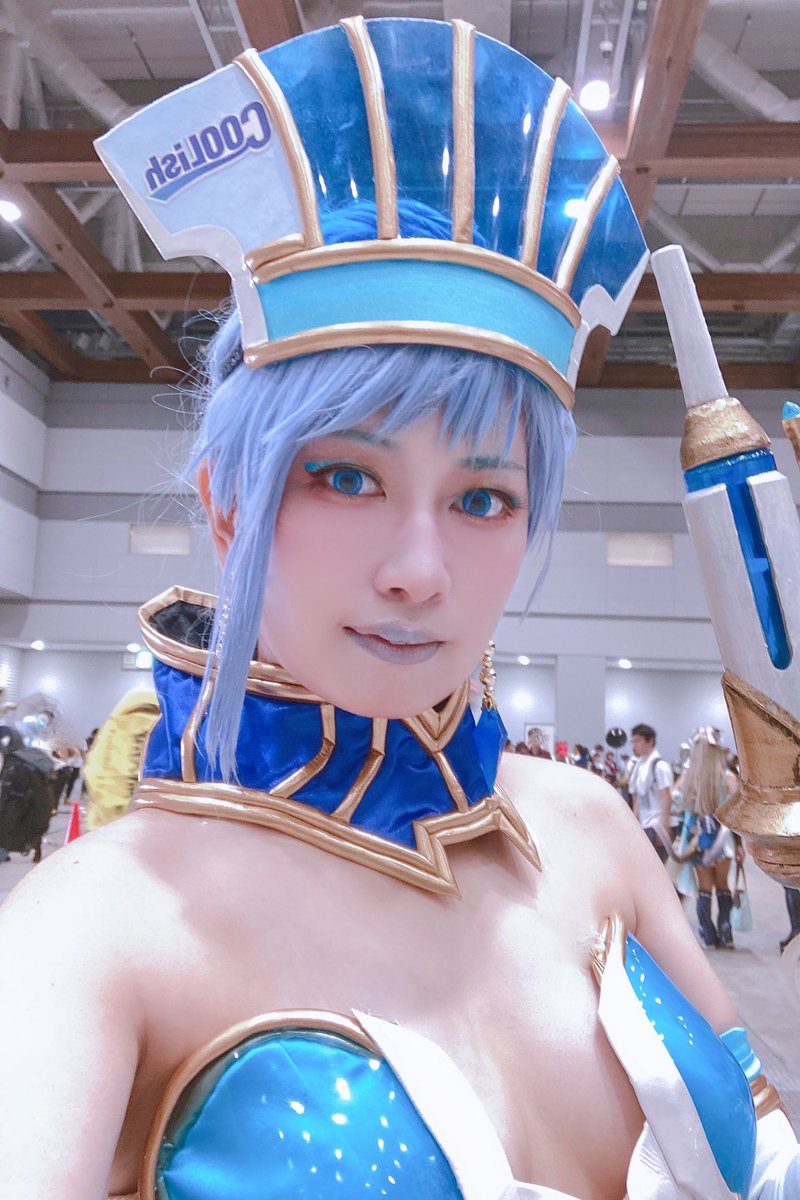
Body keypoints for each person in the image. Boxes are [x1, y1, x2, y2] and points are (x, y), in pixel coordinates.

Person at [0, 18, 796, 1200]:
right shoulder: (98, 929)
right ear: (226, 504)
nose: (418, 571)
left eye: (482, 498)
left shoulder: (586, 829)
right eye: (344, 478)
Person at [673, 728, 741, 949]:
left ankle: (708, 934)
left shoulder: (689, 778)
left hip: (698, 841)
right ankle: (726, 932)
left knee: (705, 888)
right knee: (722, 886)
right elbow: (736, 816)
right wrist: (739, 845)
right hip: (723, 840)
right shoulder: (728, 778)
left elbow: (677, 801)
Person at [82, 688, 160, 829]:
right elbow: (121, 770)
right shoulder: (145, 709)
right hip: (125, 824)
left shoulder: (141, 704)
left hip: (113, 822)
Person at [628, 723, 677, 863]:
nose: (634, 745)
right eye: (633, 741)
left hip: (657, 824)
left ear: (650, 741)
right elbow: (638, 797)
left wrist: (665, 827)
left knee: (657, 866)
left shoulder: (660, 765)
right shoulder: (639, 765)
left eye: (638, 741)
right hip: (644, 823)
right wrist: (633, 822)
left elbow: (667, 797)